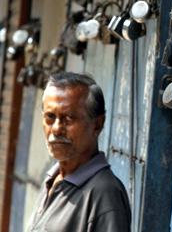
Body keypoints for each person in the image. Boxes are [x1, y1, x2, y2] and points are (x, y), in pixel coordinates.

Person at [27, 72, 131, 232]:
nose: (56, 128)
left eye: (68, 118)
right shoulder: (52, 180)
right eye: (50, 117)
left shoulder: (105, 194)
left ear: (97, 124)